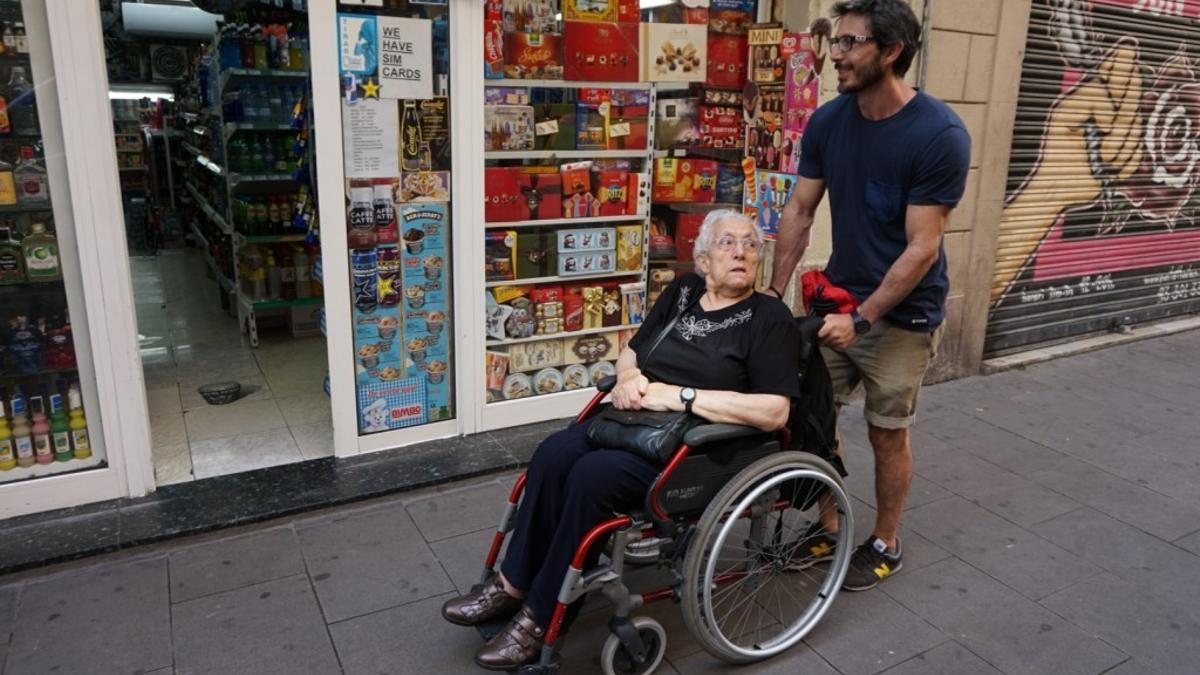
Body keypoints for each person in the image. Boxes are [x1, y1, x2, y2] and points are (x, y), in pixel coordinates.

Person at [442, 210, 801, 671]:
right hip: (636, 421)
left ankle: (542, 614)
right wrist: (628, 377)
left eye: (750, 245)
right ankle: (511, 584)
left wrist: (683, 396)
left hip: (698, 448)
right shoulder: (684, 291)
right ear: (703, 258)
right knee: (553, 454)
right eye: (727, 243)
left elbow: (775, 411)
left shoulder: (768, 318)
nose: (741, 252)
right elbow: (634, 348)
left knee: (593, 477)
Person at [767, 0, 971, 591]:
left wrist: (864, 317)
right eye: (835, 41)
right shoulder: (830, 122)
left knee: (886, 430)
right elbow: (801, 210)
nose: (836, 54)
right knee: (810, 414)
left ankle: (885, 539)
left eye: (851, 43)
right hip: (838, 297)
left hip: (903, 315)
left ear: (891, 52)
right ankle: (829, 524)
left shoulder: (938, 135)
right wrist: (772, 297)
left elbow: (922, 247)